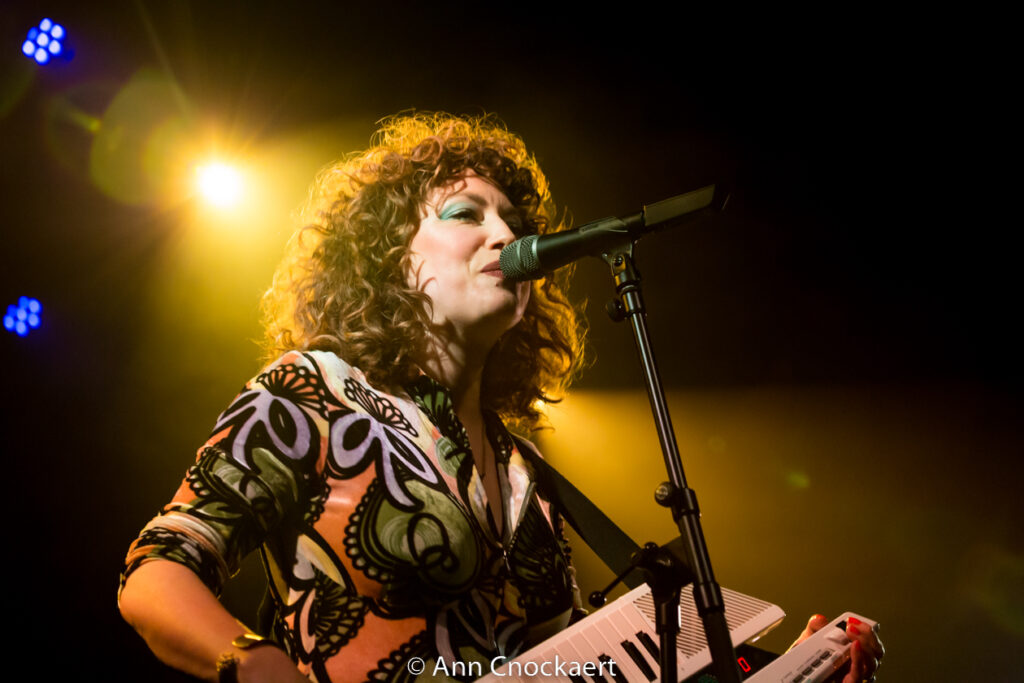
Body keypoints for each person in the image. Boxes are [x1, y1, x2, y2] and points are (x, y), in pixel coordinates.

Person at [118, 112, 884, 683]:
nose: (504, 235)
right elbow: (157, 568)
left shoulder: (528, 475)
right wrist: (255, 665)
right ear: (390, 259)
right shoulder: (311, 392)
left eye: (513, 222)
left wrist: (792, 669)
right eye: (465, 214)